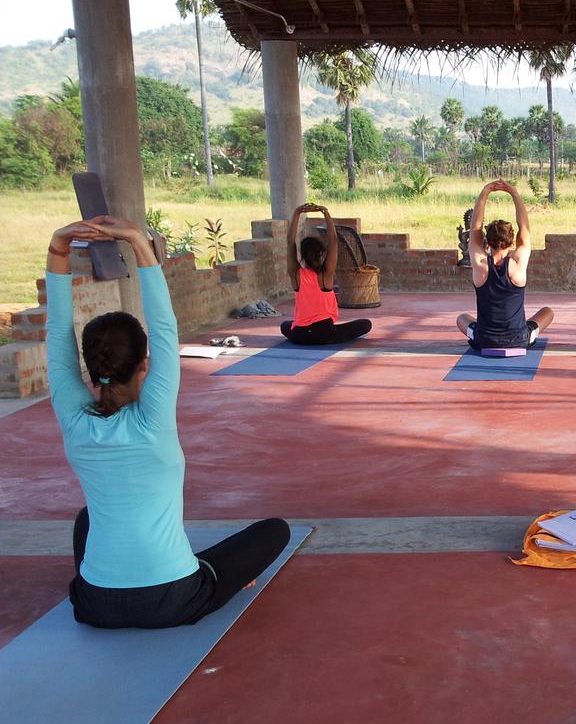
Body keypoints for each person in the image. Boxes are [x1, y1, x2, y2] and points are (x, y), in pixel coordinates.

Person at [44, 216, 291, 629]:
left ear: (89, 368)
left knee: (89, 517)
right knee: (275, 531)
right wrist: (139, 243)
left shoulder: (73, 416)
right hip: (173, 599)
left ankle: (121, 574)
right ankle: (209, 575)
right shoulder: (153, 416)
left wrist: (58, 247)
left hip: (93, 605)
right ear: (144, 366)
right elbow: (164, 327)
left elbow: (56, 333)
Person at [456, 179, 554, 350]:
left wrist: (485, 192)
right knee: (548, 312)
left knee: (462, 318)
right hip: (519, 340)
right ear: (511, 243)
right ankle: (527, 333)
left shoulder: (480, 264)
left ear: (487, 242)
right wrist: (514, 193)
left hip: (483, 340)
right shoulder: (517, 264)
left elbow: (475, 229)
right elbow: (525, 229)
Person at [281, 202, 372, 345]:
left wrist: (297, 213)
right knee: (366, 324)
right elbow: (334, 241)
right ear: (321, 254)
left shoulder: (296, 274)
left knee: (285, 325)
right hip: (323, 333)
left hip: (300, 335)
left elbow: (290, 242)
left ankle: (306, 331)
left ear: (302, 256)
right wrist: (326, 213)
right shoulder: (325, 275)